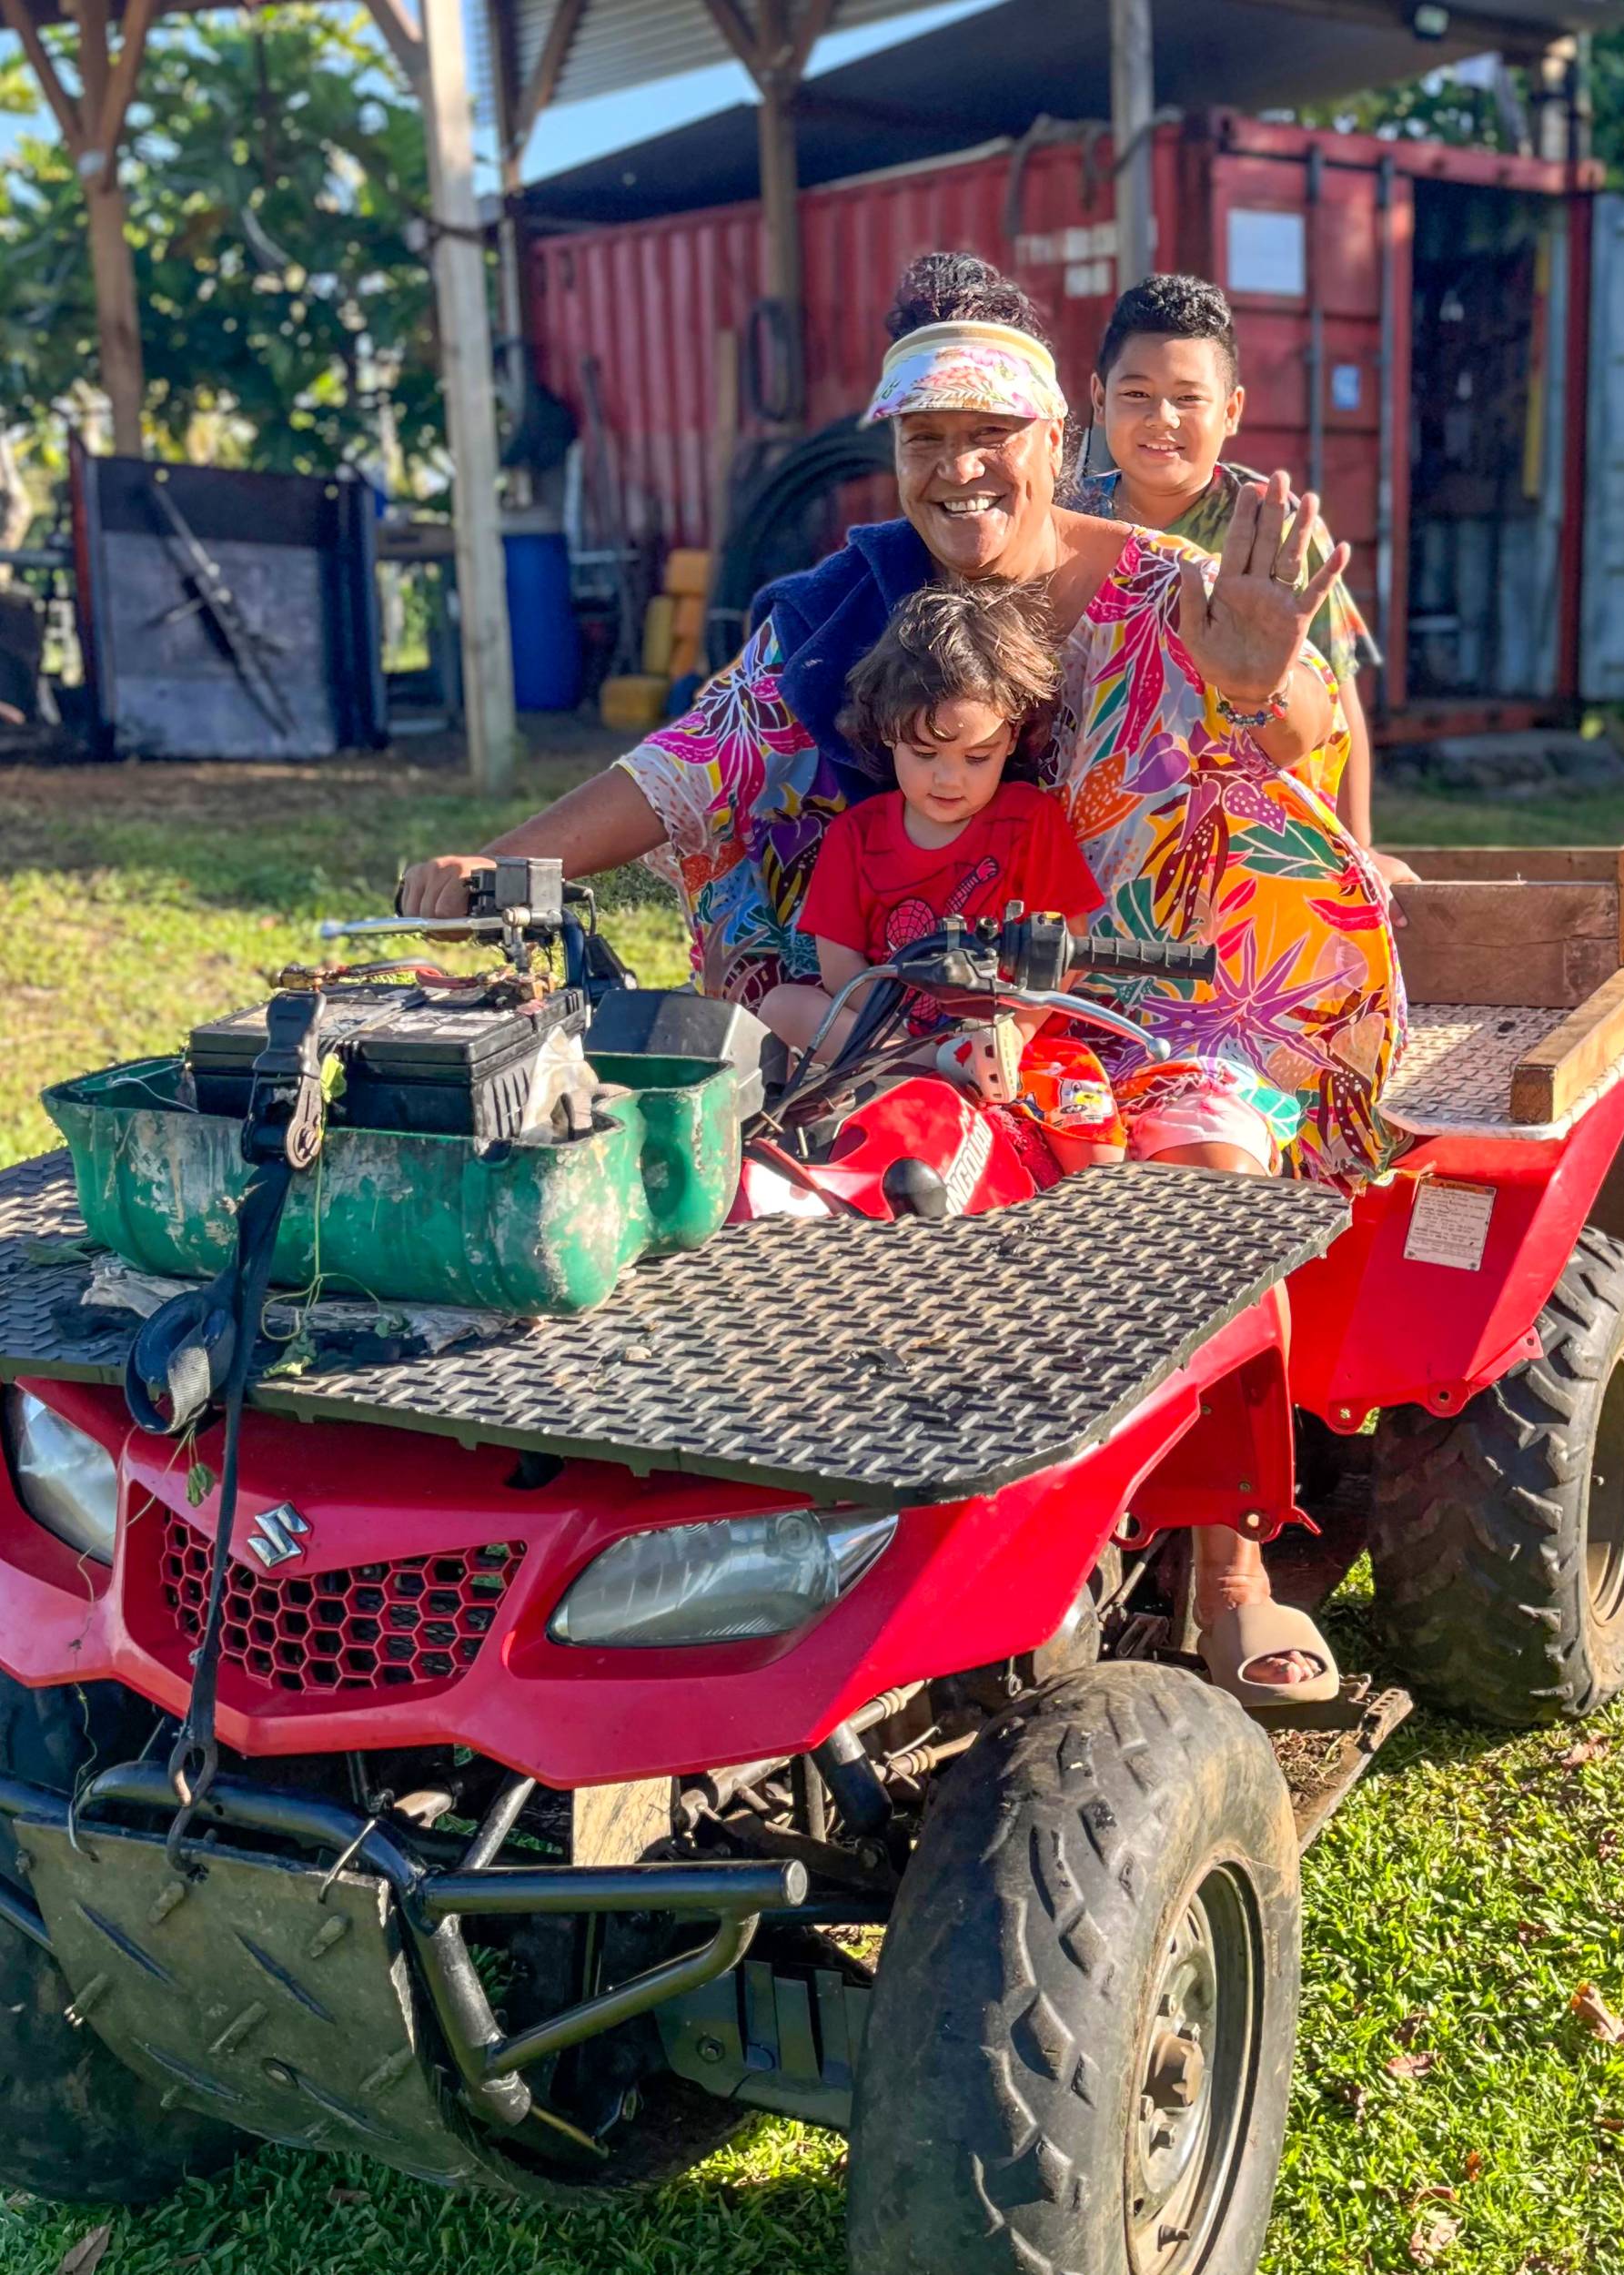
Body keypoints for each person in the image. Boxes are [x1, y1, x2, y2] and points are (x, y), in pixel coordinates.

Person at [401, 251, 1406, 1699]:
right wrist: (502, 873)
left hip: (1150, 1000)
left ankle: (1226, 1563)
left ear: (1055, 441)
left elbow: (1291, 709)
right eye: (923, 441)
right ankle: (773, 1525)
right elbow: (701, 758)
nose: (959, 471)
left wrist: (1263, 685)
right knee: (736, 1151)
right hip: (887, 990)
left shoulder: (1162, 583)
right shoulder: (842, 601)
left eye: (989, 435)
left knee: (1207, 1167)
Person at [761, 581, 1126, 1168]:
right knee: (781, 1004)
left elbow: (1070, 947)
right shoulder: (857, 835)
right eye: (925, 755)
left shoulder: (1028, 820)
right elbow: (841, 972)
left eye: (976, 758)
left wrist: (1014, 1032)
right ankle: (932, 1070)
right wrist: (923, 1046)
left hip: (1014, 1040)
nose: (949, 780)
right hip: (890, 1041)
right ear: (887, 733)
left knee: (1097, 1155)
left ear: (1011, 737)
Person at [1084, 271, 1415, 900]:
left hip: (1247, 843)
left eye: (1188, 398)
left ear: (1232, 410)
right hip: (1101, 844)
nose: (1162, 419)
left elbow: (1340, 704)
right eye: (1137, 394)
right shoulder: (1069, 524)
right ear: (1099, 400)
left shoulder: (1272, 533)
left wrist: (1359, 847)